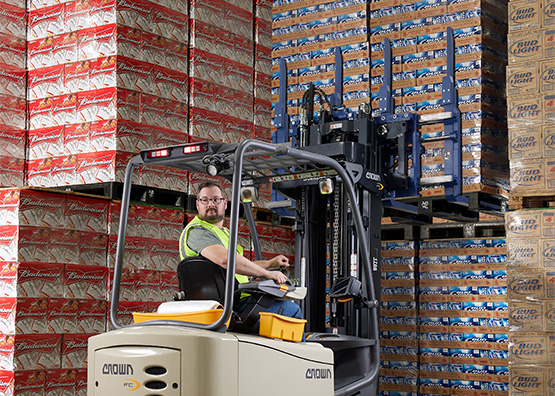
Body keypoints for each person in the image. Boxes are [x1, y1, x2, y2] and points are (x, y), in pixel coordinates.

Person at [179, 181, 304, 332]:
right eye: (205, 200)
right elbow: (226, 261)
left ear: (225, 204)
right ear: (198, 204)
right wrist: (268, 274)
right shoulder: (198, 231)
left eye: (215, 200)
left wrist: (270, 263)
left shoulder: (222, 233)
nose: (210, 204)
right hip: (229, 307)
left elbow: (239, 265)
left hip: (233, 300)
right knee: (291, 309)